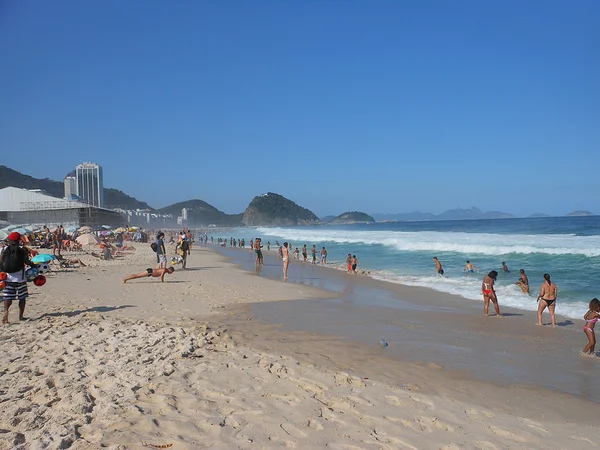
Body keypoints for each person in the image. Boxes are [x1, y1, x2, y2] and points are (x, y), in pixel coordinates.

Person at [1, 232, 38, 324]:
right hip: (20, 277)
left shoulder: (4, 249)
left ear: (11, 240)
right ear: (18, 240)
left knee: (8, 296)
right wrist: (34, 265)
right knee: (22, 297)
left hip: (8, 277)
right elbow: (26, 261)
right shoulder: (22, 249)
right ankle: (21, 316)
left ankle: (6, 311)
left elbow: (1, 261)